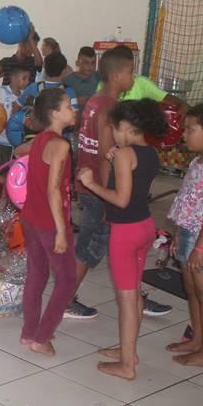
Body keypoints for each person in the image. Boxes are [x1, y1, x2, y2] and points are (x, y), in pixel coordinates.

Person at [78, 99, 164, 379]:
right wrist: (118, 162)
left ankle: (127, 366)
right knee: (134, 294)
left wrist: (91, 184)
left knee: (126, 299)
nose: (113, 134)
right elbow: (137, 189)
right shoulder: (150, 152)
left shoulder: (126, 154)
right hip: (145, 227)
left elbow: (121, 199)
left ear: (125, 127)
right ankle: (129, 351)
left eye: (115, 128)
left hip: (125, 233)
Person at [70, 45, 134, 319]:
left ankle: (65, 296)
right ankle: (65, 299)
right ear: (118, 75)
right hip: (97, 187)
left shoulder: (94, 101)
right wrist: (110, 194)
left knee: (91, 241)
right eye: (131, 71)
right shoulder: (109, 107)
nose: (133, 77)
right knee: (91, 244)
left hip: (87, 183)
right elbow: (107, 154)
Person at [19, 89, 77, 356]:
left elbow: (20, 151)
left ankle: (29, 332)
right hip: (49, 222)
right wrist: (62, 232)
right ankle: (41, 338)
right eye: (68, 106)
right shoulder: (61, 145)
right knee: (67, 280)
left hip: (30, 217)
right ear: (55, 114)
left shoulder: (41, 139)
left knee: (37, 274)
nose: (73, 109)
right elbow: (54, 190)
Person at [165, 103, 203, 366]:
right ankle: (197, 338)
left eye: (190, 129)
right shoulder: (195, 162)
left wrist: (200, 246)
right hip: (188, 231)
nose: (184, 135)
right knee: (191, 290)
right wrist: (178, 229)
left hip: (202, 239)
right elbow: (185, 197)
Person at [15, 52, 79, 113]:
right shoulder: (69, 92)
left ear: (44, 68)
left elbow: (16, 107)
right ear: (63, 71)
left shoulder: (33, 87)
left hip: (36, 123)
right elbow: (75, 116)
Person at [63, 46, 100, 111]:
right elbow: (63, 102)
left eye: (93, 63)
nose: (90, 66)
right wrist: (75, 100)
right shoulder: (68, 81)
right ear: (77, 63)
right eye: (86, 63)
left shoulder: (98, 77)